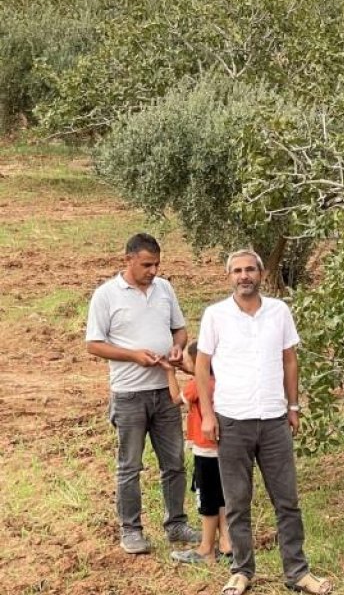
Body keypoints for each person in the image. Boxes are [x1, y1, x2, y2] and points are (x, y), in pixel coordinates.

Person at [195, 249, 332, 595]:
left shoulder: (279, 311)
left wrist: (294, 406)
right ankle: (242, 571)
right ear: (229, 277)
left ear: (260, 273)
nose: (244, 276)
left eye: (250, 270)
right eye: (237, 271)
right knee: (238, 502)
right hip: (232, 421)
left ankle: (298, 573)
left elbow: (289, 360)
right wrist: (208, 415)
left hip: (273, 420)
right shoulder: (215, 315)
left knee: (286, 500)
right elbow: (201, 366)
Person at [85, 232, 200, 553]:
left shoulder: (164, 289)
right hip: (129, 394)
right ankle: (131, 529)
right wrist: (134, 356)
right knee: (130, 465)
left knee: (174, 462)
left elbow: (180, 329)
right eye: (147, 264)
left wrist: (177, 348)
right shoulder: (106, 295)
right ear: (128, 259)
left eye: (157, 265)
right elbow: (93, 343)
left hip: (165, 391)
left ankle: (176, 523)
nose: (153, 271)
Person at [165, 343, 233, 565]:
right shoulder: (222, 380)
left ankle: (206, 549)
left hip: (205, 449)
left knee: (207, 499)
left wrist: (169, 371)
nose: (183, 364)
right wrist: (189, 367)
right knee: (223, 496)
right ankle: (227, 542)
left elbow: (176, 398)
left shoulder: (197, 385)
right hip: (225, 448)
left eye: (186, 361)